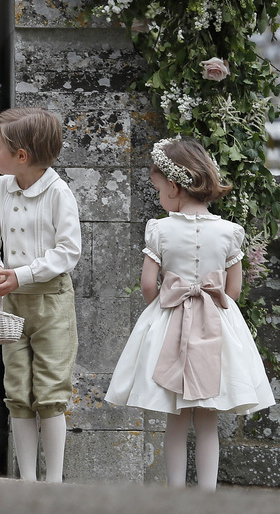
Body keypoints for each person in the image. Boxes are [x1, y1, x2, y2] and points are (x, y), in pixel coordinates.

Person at [105, 137, 275, 490]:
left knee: (176, 419)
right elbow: (234, 291)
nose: (159, 197)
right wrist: (211, 302)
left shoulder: (161, 230)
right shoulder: (230, 232)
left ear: (174, 185)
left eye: (159, 189)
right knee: (208, 420)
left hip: (170, 320)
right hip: (215, 322)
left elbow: (149, 285)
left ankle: (176, 496)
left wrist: (166, 301)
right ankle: (208, 497)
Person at [0, 108, 81, 483]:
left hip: (51, 302)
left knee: (51, 389)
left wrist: (22, 274)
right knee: (17, 390)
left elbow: (68, 251)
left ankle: (54, 481)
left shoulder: (59, 193)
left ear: (21, 156)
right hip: (12, 304)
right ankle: (27, 480)